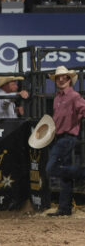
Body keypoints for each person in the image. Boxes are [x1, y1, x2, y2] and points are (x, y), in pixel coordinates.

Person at [46, 66, 85, 216]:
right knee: (65, 175)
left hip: (67, 138)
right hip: (60, 137)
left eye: (64, 77)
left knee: (51, 168)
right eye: (58, 77)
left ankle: (82, 173)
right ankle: (64, 208)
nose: (61, 79)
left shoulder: (74, 96)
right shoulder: (58, 97)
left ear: (69, 80)